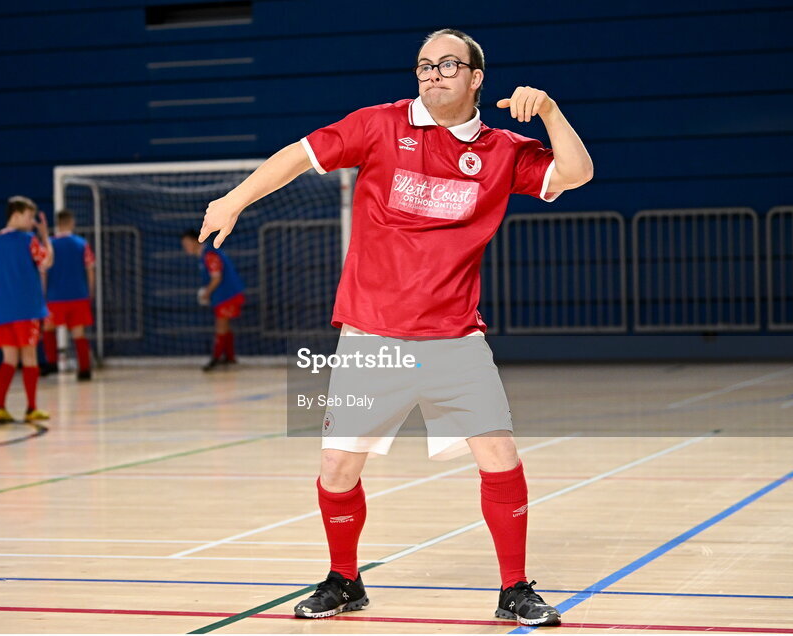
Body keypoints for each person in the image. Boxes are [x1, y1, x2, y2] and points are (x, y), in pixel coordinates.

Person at [199, 29, 593, 625]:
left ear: (476, 77)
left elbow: (576, 172)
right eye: (424, 65)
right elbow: (298, 155)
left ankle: (514, 587)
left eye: (448, 65)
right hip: (371, 336)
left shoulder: (502, 150)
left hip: (454, 339)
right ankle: (344, 580)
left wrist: (552, 112)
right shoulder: (378, 125)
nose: (433, 74)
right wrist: (234, 200)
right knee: (336, 467)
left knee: (499, 454)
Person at [0, 196, 55, 423]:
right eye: (30, 217)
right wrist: (45, 237)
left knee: (8, 358)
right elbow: (46, 261)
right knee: (29, 357)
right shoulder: (28, 240)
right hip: (27, 309)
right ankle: (31, 409)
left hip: (2, 312)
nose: (32, 222)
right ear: (17, 214)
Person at [41, 209, 96, 381]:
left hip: (55, 296)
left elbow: (43, 271)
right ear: (72, 222)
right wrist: (90, 291)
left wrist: (43, 293)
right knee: (78, 333)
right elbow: (90, 270)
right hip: (78, 295)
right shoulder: (81, 243)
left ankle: (52, 362)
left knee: (48, 329)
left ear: (57, 223)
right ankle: (84, 369)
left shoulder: (49, 244)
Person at [180, 228, 246, 372]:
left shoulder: (209, 255)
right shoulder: (205, 254)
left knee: (220, 326)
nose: (186, 247)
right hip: (225, 294)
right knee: (225, 326)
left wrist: (206, 293)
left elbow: (217, 278)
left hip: (227, 294)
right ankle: (230, 357)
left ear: (196, 241)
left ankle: (216, 358)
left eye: (187, 243)